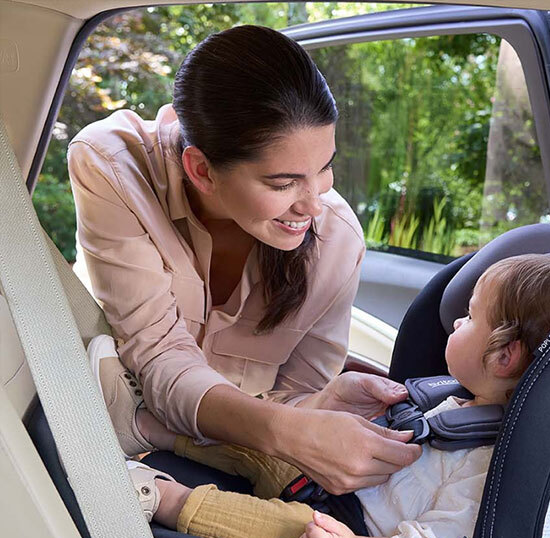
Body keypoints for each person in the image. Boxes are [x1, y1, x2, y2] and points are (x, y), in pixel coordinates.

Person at [69, 24, 420, 496]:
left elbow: (292, 395)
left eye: (325, 168)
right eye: (282, 184)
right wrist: (287, 430)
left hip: (220, 468)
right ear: (200, 170)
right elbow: (160, 358)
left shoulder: (336, 240)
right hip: (96, 449)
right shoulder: (113, 166)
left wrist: (322, 404)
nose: (314, 205)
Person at [124, 254, 550, 538]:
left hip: (352, 535)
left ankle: (158, 497)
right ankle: (153, 428)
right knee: (267, 438)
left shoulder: (491, 462)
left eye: (470, 318)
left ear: (504, 357)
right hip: (339, 488)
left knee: (276, 527)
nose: (456, 323)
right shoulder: (457, 401)